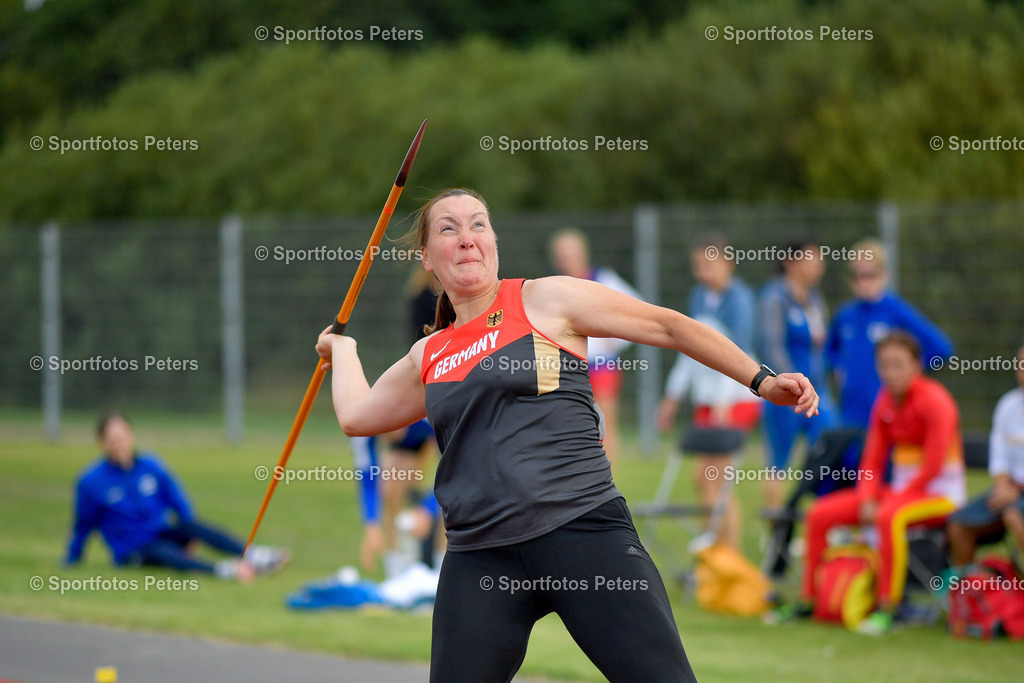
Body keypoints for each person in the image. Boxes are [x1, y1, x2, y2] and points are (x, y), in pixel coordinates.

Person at [315, 188, 820, 681]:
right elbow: (357, 416)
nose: (467, 237)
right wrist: (345, 352)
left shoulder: (544, 298)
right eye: (449, 229)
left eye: (478, 224)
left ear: (494, 241)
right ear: (426, 256)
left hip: (580, 529)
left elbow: (668, 326)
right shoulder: (429, 354)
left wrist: (762, 379)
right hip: (480, 555)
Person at [775, 331, 966, 635]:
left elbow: (932, 466)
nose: (891, 373)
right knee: (819, 514)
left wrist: (887, 500)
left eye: (899, 365)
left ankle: (889, 608)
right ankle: (809, 600)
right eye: (885, 365)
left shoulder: (936, 400)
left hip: (940, 495)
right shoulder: (885, 401)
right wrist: (866, 496)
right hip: (898, 494)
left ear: (916, 365)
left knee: (888, 516)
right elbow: (873, 460)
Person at [65, 411, 289, 580]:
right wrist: (73, 558)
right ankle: (223, 570)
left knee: (193, 526)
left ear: (131, 435)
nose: (119, 443)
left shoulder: (150, 465)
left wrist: (188, 531)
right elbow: (83, 524)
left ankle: (252, 554)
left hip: (160, 532)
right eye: (112, 439)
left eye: (122, 436)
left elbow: (176, 499)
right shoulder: (91, 481)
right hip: (133, 550)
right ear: (102, 442)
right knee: (163, 553)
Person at [657, 233, 761, 549]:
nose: (703, 272)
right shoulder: (699, 298)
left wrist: (722, 401)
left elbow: (737, 356)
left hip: (734, 399)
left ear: (729, 264)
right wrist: (671, 398)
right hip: (708, 401)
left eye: (710, 265)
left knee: (714, 477)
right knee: (703, 478)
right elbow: (689, 350)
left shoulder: (740, 300)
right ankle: (716, 550)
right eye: (698, 266)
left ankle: (728, 554)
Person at [826, 238, 954, 430]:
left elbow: (941, 349)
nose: (862, 282)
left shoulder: (895, 311)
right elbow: (829, 350)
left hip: (887, 413)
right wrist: (838, 366)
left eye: (869, 274)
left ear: (883, 275)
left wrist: (908, 374)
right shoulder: (846, 315)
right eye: (855, 275)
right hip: (851, 413)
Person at [549, 228, 642, 471]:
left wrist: (616, 339)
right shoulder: (556, 286)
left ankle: (609, 481)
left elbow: (639, 309)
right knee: (573, 424)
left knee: (606, 425)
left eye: (570, 253)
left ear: (583, 254)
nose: (566, 259)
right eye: (561, 255)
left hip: (602, 365)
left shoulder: (604, 279)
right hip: (570, 365)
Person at [758, 238, 837, 509]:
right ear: (790, 263)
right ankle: (776, 537)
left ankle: (825, 525)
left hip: (818, 393)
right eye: (811, 259)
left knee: (831, 454)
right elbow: (772, 346)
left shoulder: (815, 299)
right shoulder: (774, 297)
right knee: (778, 464)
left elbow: (822, 346)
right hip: (787, 392)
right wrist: (791, 383)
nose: (818, 265)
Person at [947, 341, 1024, 568]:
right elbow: (999, 454)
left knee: (1013, 516)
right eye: (1020, 366)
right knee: (958, 524)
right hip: (1009, 490)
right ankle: (968, 593)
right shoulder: (1007, 405)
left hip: (1016, 496)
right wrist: (1002, 486)